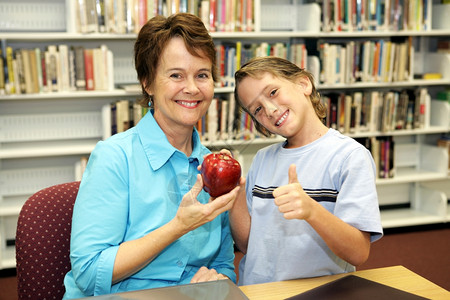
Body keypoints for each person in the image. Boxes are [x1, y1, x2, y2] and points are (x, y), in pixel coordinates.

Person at [63, 13, 240, 299]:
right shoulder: (114, 157)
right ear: (148, 83)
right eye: (175, 75)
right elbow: (88, 272)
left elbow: (223, 264)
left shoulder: (214, 165)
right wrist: (178, 227)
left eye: (202, 75)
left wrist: (215, 280)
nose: (192, 88)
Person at [229, 56, 383, 286]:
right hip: (258, 291)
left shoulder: (349, 157)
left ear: (303, 84)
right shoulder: (262, 159)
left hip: (317, 293)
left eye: (272, 92)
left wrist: (311, 210)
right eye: (257, 109)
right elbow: (249, 245)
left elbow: (358, 252)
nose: (270, 110)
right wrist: (234, 192)